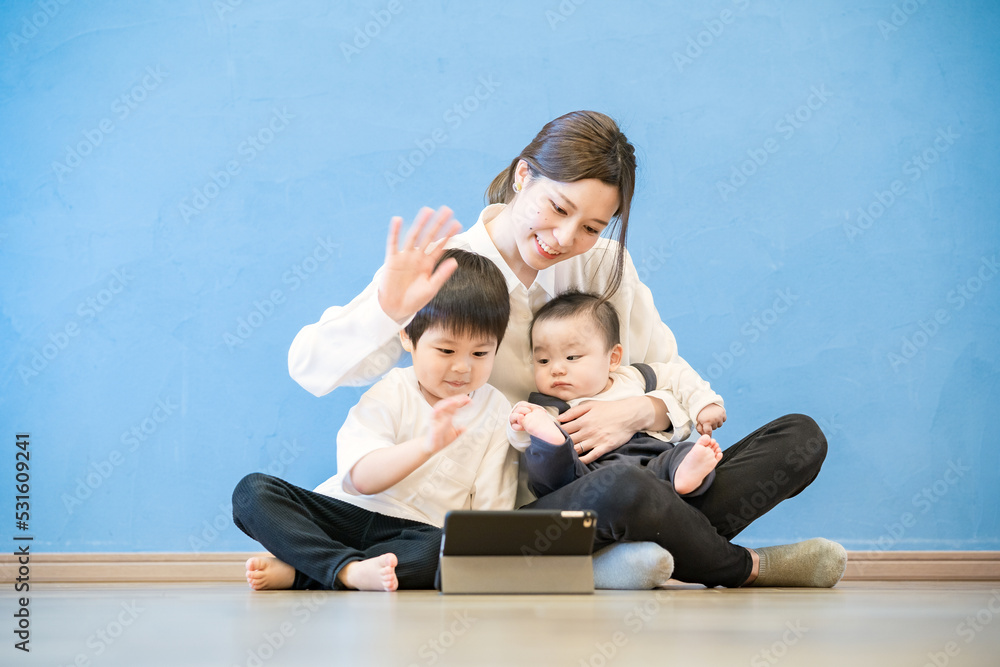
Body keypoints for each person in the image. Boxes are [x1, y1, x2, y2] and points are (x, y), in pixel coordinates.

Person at [288, 110, 846, 589]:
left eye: (591, 226)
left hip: (638, 475)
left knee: (798, 439)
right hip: (528, 509)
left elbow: (664, 368)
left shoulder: (603, 266)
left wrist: (641, 410)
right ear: (522, 176)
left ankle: (623, 555)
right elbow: (310, 370)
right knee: (625, 490)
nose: (564, 239)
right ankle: (737, 566)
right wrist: (384, 309)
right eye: (557, 208)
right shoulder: (447, 267)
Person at [232, 249, 518, 591]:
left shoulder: (496, 410)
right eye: (446, 350)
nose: (462, 367)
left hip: (413, 533)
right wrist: (426, 446)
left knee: (450, 552)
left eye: (480, 353)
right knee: (252, 492)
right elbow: (362, 481)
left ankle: (311, 570)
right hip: (345, 512)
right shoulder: (392, 391)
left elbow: (489, 508)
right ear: (407, 336)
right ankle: (346, 570)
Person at [508, 290, 724, 499]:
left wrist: (703, 404)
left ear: (613, 358)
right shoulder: (550, 405)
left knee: (685, 452)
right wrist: (524, 423)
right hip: (589, 476)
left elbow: (678, 376)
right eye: (543, 360)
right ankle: (553, 442)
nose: (556, 369)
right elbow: (523, 440)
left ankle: (682, 474)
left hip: (653, 462)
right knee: (547, 462)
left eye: (572, 357)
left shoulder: (632, 377)